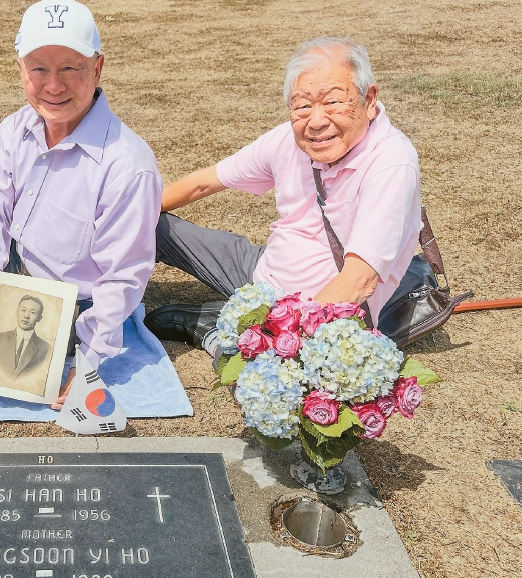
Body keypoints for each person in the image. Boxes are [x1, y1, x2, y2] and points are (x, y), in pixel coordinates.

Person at [0, 0, 163, 409]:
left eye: (70, 68)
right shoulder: (16, 127)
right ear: (20, 69)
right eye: (39, 69)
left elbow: (123, 276)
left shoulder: (127, 165)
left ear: (97, 67)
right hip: (15, 261)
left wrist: (87, 360)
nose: (54, 85)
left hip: (66, 299)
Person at [145, 36, 422, 358]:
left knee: (252, 373)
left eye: (333, 101)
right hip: (265, 270)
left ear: (369, 99)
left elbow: (358, 280)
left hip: (320, 310)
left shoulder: (390, 162)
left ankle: (217, 328)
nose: (316, 121)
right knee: (145, 220)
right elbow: (203, 184)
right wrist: (114, 219)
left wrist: (278, 335)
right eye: (303, 105)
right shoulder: (285, 140)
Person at [0, 296, 51, 380]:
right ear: (17, 312)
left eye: (33, 312)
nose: (26, 316)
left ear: (39, 318)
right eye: (23, 310)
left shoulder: (46, 348)